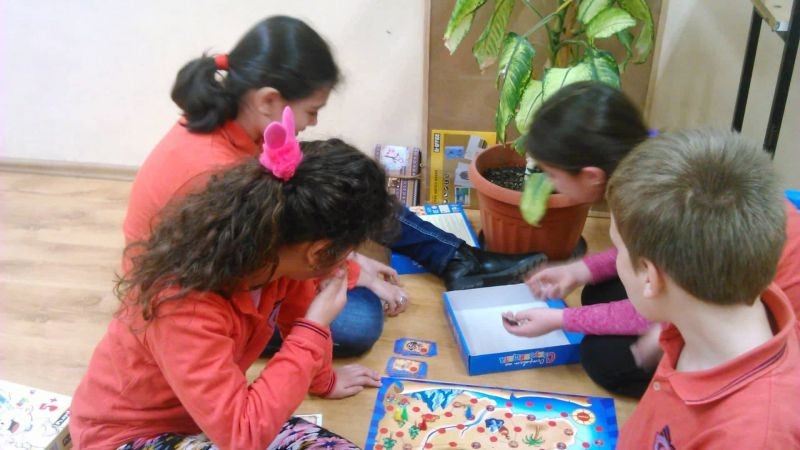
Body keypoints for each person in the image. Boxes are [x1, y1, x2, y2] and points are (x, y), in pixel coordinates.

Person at [125, 15, 545, 357]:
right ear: (269, 100)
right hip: (210, 293)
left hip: (256, 255)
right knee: (361, 322)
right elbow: (274, 260)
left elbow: (295, 228)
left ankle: (458, 259)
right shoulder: (213, 175)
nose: (313, 123)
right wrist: (352, 270)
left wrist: (350, 263)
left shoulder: (246, 126)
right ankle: (456, 262)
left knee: (352, 186)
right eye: (312, 110)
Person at [70, 127, 397, 449]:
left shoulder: (279, 254)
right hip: (129, 436)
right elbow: (244, 436)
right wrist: (314, 326)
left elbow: (295, 319)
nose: (348, 261)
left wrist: (325, 380)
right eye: (349, 251)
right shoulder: (183, 303)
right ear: (317, 253)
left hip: (210, 420)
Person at [502, 81, 800, 397]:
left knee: (603, 359)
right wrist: (579, 271)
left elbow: (659, 299)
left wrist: (559, 318)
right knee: (598, 291)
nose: (551, 184)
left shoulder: (652, 204)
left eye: (552, 174)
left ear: (591, 176)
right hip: (734, 279)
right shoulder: (653, 162)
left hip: (776, 325)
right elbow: (644, 257)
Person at [607, 129, 800, 448]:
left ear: (650, 277)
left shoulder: (753, 437)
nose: (616, 261)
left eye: (618, 249)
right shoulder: (707, 310)